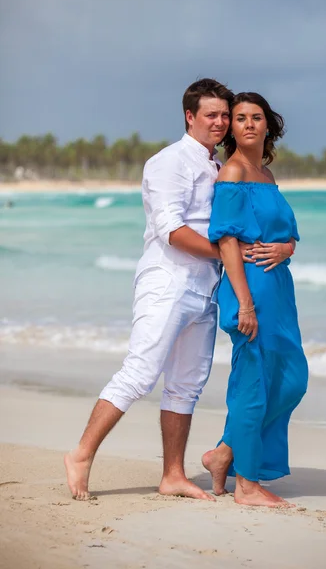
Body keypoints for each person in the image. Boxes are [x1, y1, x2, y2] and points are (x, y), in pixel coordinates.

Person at [64, 79, 272, 502]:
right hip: (167, 281)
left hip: (206, 288)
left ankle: (173, 475)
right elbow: (172, 231)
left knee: (186, 384)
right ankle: (82, 454)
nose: (218, 122)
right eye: (210, 115)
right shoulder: (169, 161)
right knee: (140, 373)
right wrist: (226, 253)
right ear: (189, 116)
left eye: (223, 115)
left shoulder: (218, 167)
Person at [201, 92, 308, 508]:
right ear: (232, 128)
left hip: (279, 289)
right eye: (240, 118)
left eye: (256, 117)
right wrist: (244, 303)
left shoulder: (264, 174)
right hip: (250, 291)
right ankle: (246, 486)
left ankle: (224, 453)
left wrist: (286, 249)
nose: (248, 123)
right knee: (253, 383)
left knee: (290, 378)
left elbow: (288, 232)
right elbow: (227, 239)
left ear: (268, 125)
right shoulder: (232, 172)